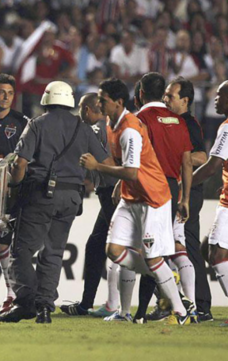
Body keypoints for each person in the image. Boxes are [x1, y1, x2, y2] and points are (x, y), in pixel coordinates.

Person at [80, 78, 190, 325]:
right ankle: (149, 287)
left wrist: (97, 167)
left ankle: (180, 312)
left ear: (118, 102)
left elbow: (131, 171)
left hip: (153, 198)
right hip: (132, 196)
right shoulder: (111, 122)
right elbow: (127, 167)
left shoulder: (130, 129)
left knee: (151, 258)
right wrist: (121, 182)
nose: (98, 103)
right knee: (114, 250)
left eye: (103, 99)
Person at [0, 81, 109, 324]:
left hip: (40, 194)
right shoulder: (83, 129)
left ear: (46, 99)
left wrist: (14, 188)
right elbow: (105, 162)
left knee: (21, 252)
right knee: (54, 253)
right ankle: (45, 307)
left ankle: (27, 301)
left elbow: (19, 164)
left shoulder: (37, 124)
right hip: (71, 197)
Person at [131, 73, 194, 323]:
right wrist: (185, 198)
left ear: (141, 93)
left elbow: (135, 158)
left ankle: (172, 306)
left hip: (148, 187)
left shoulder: (140, 119)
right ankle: (148, 310)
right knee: (157, 252)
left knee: (144, 252)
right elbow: (187, 162)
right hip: (171, 187)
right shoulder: (179, 121)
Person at [191, 80, 228, 327]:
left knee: (217, 255)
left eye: (218, 95)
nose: (214, 99)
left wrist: (185, 186)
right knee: (208, 250)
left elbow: (212, 165)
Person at [60, 93, 119, 317]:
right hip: (109, 190)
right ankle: (87, 304)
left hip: (111, 192)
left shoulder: (92, 128)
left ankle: (169, 298)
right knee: (95, 246)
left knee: (126, 249)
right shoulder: (110, 126)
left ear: (85, 110)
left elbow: (106, 162)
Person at [163, 77, 213, 322]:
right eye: (165, 94)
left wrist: (180, 157)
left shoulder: (188, 123)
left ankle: (201, 305)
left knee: (188, 246)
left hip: (189, 193)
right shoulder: (172, 121)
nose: (165, 99)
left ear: (185, 100)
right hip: (180, 192)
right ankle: (188, 303)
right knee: (178, 247)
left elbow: (203, 156)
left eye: (170, 96)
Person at [0, 73, 29, 313]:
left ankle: (14, 293)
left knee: (4, 243)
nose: (6, 97)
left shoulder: (22, 122)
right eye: (1, 92)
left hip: (10, 192)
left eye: (10, 93)